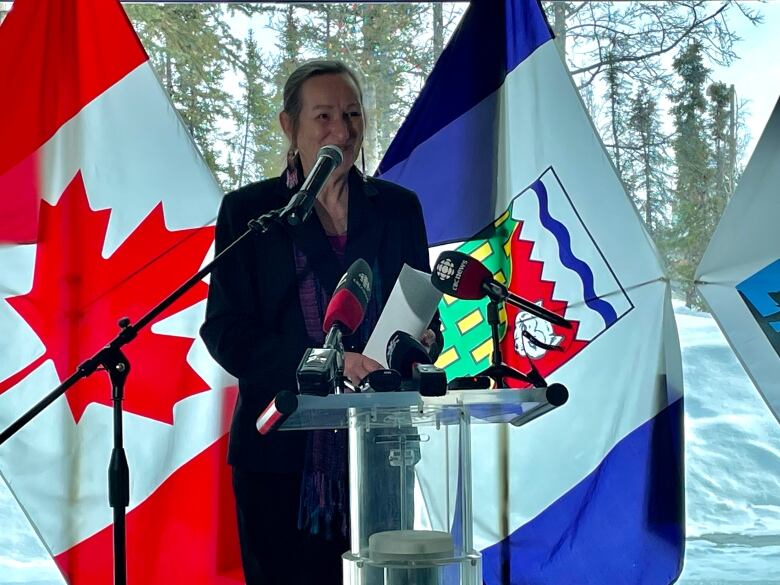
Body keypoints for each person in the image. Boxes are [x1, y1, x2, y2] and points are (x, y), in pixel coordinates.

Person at [200, 60, 439, 585]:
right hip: (278, 457)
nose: (343, 131)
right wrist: (327, 364)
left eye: (353, 115)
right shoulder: (251, 213)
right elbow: (225, 332)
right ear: (290, 126)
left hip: (381, 450)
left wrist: (420, 339)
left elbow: (425, 316)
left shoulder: (399, 210)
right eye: (325, 115)